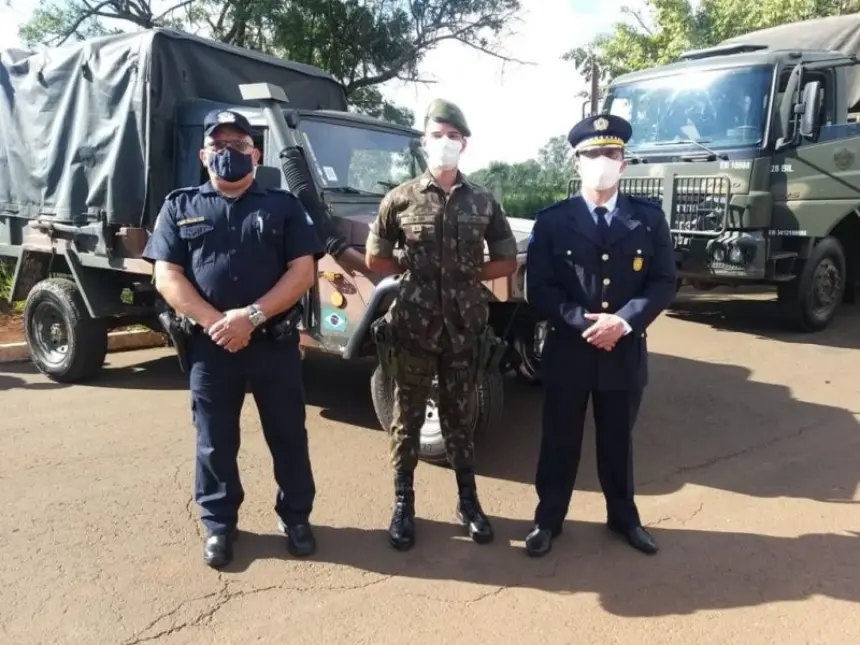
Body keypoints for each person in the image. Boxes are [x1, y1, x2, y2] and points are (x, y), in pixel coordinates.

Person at [142, 109, 325, 568]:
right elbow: (167, 276)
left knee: (288, 435)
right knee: (214, 441)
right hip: (211, 348)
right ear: (204, 155)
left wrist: (252, 315)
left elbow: (303, 271)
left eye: (239, 146)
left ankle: (296, 518)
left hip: (274, 345)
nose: (229, 153)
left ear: (256, 154)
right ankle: (220, 526)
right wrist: (215, 323)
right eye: (219, 147)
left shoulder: (283, 206)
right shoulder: (179, 206)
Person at [364, 99, 519, 551]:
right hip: (412, 326)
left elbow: (507, 258)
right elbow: (376, 258)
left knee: (460, 417)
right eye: (437, 135)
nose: (445, 144)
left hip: (464, 327)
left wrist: (468, 276)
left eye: (453, 136)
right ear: (424, 141)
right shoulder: (400, 198)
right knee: (406, 419)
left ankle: (468, 503)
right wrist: (417, 274)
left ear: (464, 143)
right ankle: (403, 506)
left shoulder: (484, 201)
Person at [522, 114, 677, 557]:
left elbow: (664, 282)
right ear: (577, 164)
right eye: (592, 154)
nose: (602, 162)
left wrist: (623, 322)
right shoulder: (553, 221)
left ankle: (623, 518)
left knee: (618, 442)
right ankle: (547, 520)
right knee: (558, 441)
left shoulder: (647, 220)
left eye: (611, 154)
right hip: (569, 351)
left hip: (623, 351)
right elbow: (539, 288)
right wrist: (583, 322)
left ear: (624, 164)